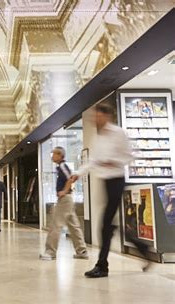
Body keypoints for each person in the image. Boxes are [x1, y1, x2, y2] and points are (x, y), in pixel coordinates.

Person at [71, 103, 148, 278]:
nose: (95, 120)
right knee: (110, 225)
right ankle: (143, 249)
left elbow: (130, 155)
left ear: (106, 116)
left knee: (104, 226)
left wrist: (112, 161)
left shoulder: (118, 133)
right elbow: (92, 161)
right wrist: (77, 174)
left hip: (117, 181)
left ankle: (102, 266)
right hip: (105, 182)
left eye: (98, 116)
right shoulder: (100, 138)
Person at [39, 147, 88, 260]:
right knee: (74, 225)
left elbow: (70, 178)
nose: (52, 156)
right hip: (67, 200)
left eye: (54, 154)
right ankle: (82, 251)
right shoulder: (60, 167)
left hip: (65, 199)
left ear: (60, 155)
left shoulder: (62, 166)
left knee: (56, 224)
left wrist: (64, 191)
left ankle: (50, 252)